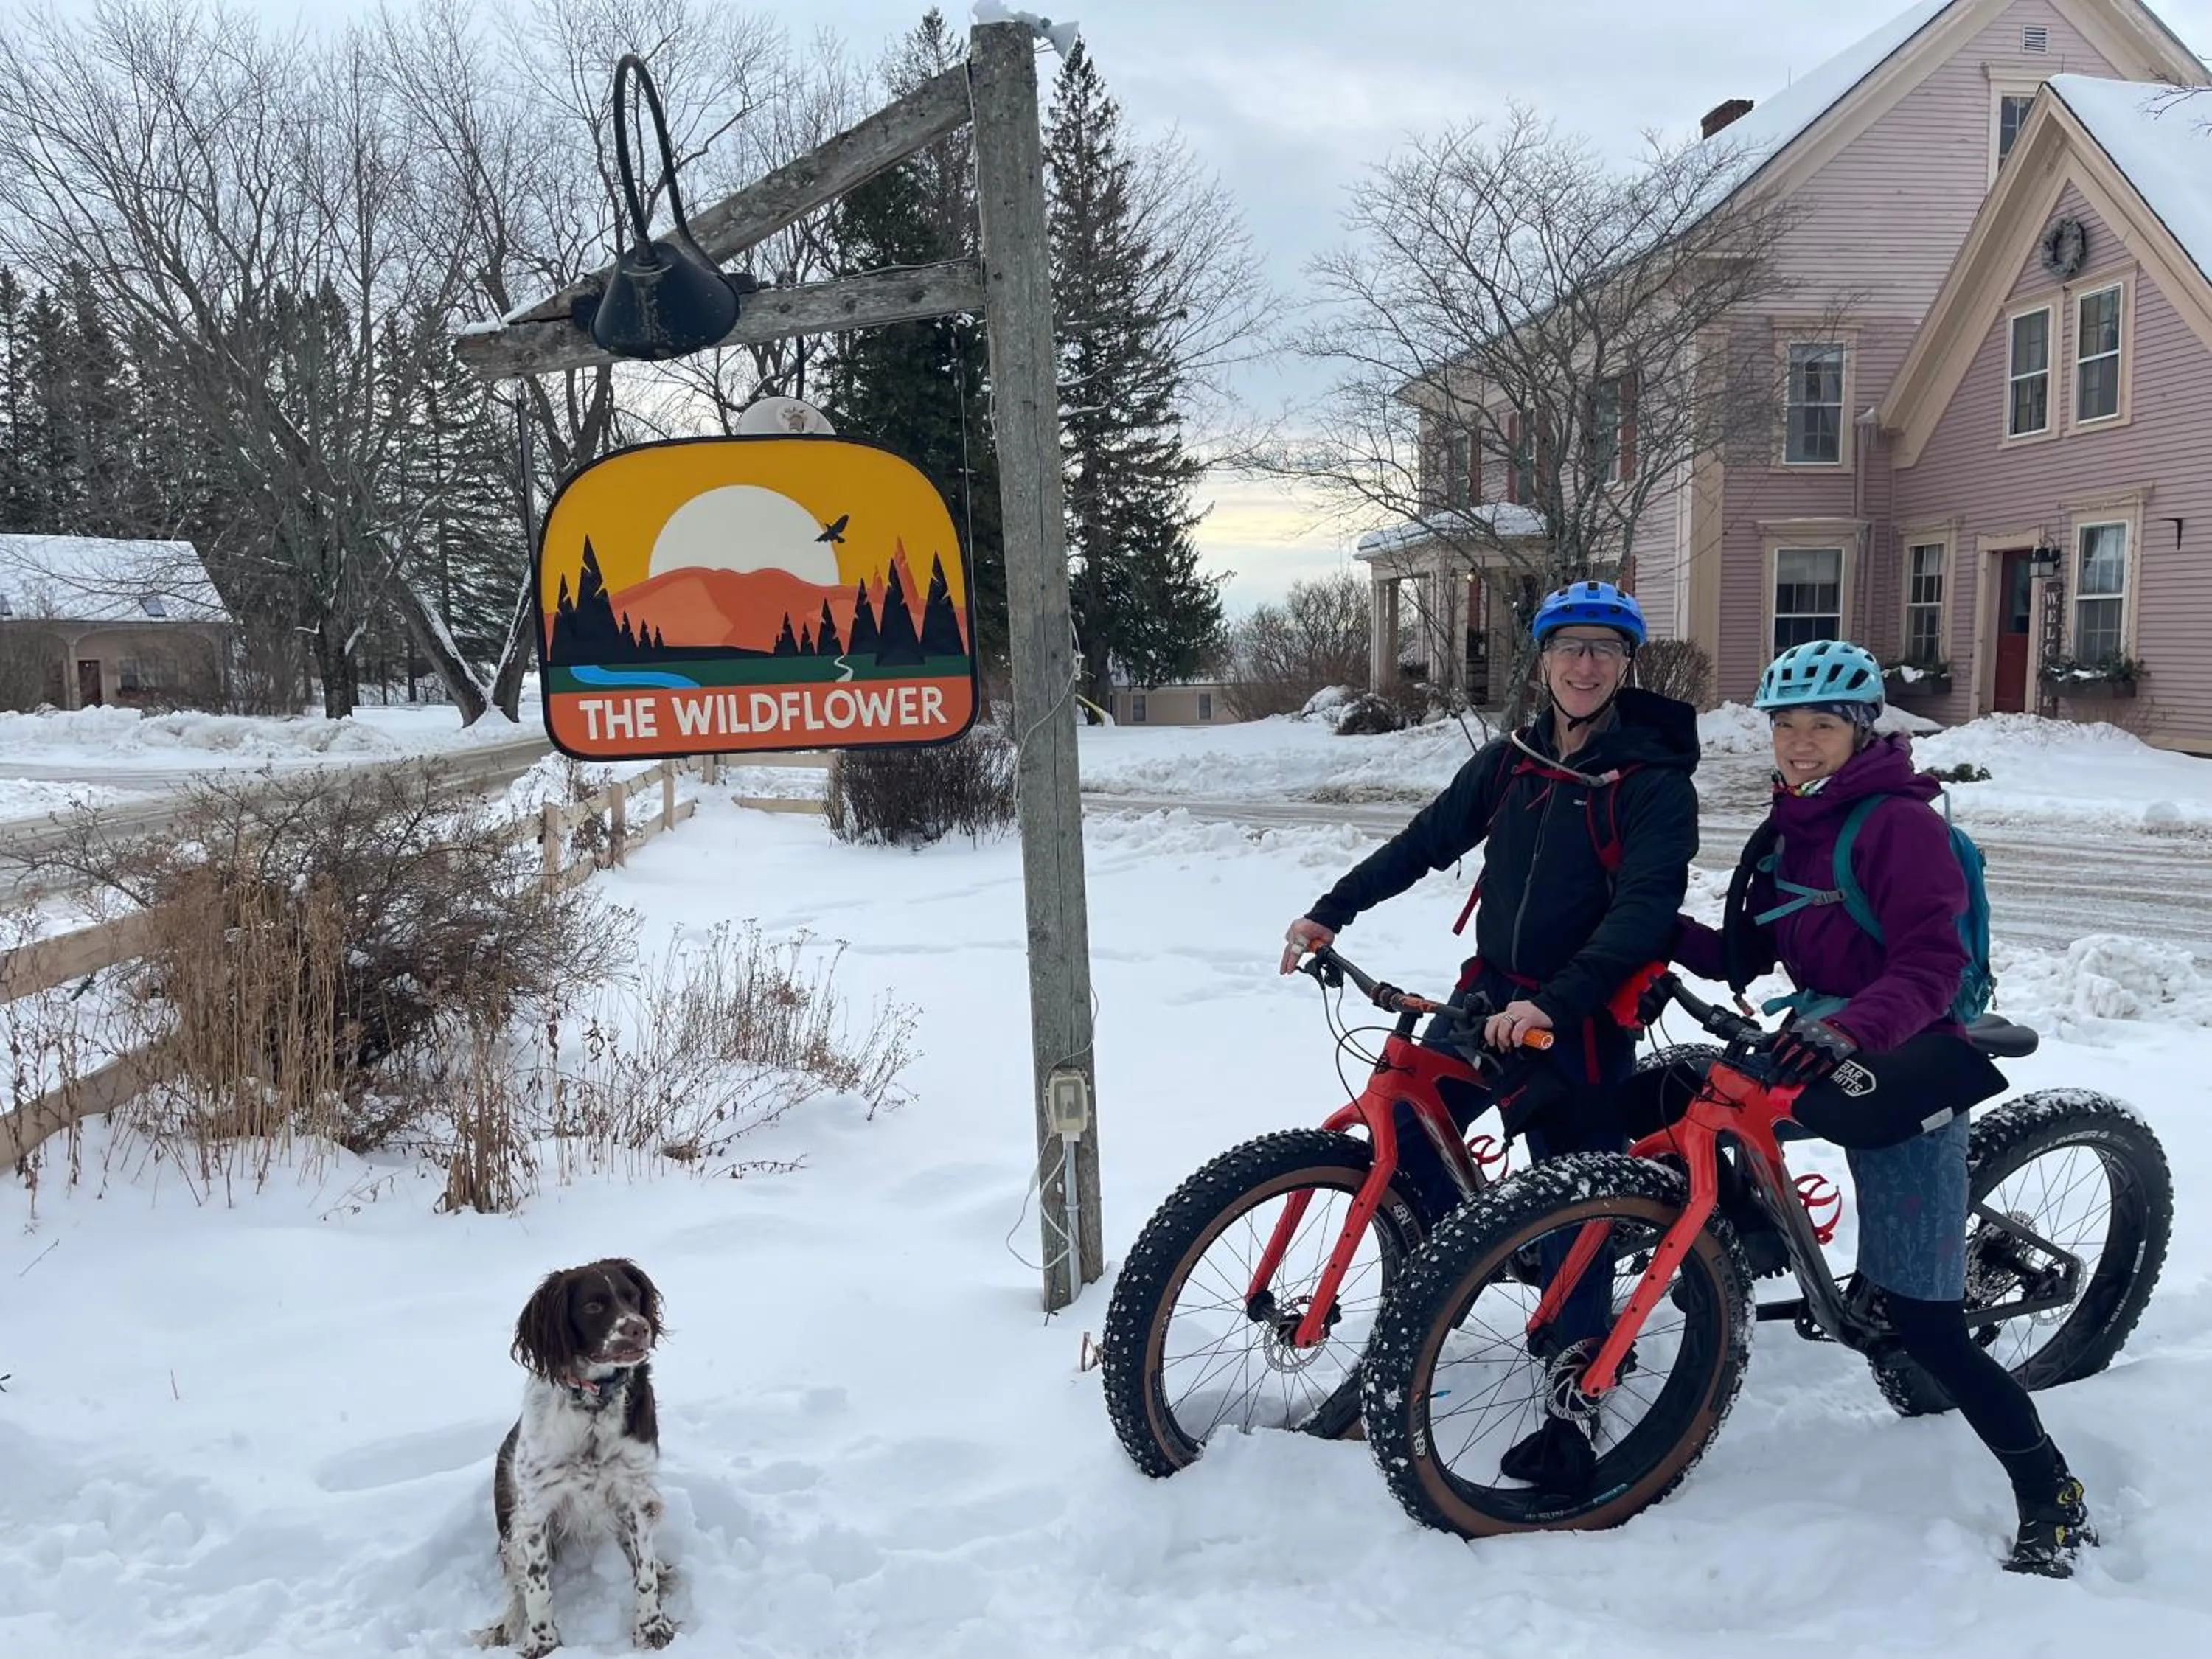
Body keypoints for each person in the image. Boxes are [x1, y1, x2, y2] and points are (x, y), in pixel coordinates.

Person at [1662, 636, 2095, 1579]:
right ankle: (1765, 1247)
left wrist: (1854, 1029)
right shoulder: (1788, 828)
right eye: (1786, 726)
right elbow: (1742, 958)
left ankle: (2050, 1490)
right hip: (1817, 1035)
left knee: (1930, 1325)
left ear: (1863, 731)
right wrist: (1640, 929)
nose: (1801, 744)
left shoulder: (1901, 827)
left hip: (1905, 1047)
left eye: (1823, 726)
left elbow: (1932, 966)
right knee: (1690, 1101)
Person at [1279, 579, 1700, 1495]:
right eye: (1567, 647)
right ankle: (1466, 1253)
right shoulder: (1513, 761)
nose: (1584, 665)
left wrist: (1557, 1004)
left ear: (1627, 663)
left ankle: (1575, 1388)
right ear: (1542, 661)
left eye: (1602, 649)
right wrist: (1329, 912)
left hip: (1581, 1017)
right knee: (1418, 1110)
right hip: (1491, 995)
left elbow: (1642, 915)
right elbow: (1427, 840)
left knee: (1575, 1195)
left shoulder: (1654, 780)